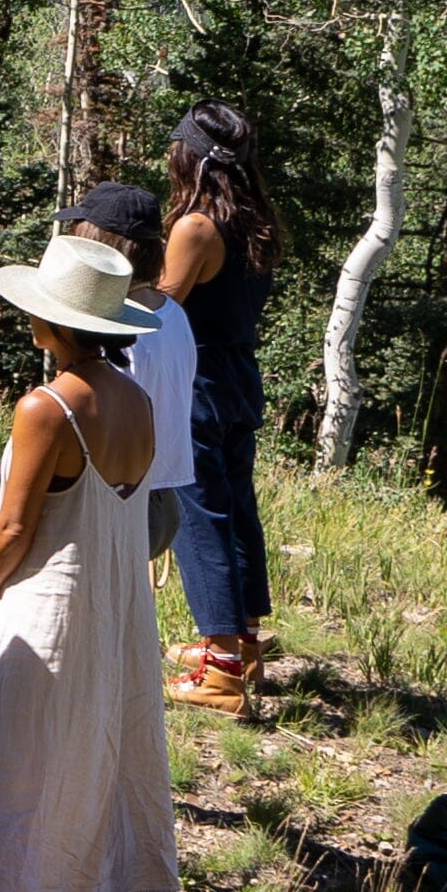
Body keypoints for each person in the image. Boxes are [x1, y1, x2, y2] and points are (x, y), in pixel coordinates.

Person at [0, 233, 175, 892]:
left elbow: (15, 525)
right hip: (117, 610)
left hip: (49, 603)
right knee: (97, 756)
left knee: (6, 764)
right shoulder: (137, 399)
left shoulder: (47, 407)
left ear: (54, 322)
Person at [160, 104, 282, 720]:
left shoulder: (197, 228)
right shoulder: (256, 222)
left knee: (199, 515)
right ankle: (245, 644)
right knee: (236, 510)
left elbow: (161, 306)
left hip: (200, 380)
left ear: (192, 157)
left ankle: (221, 671)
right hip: (240, 375)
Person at [65, 183, 195, 565]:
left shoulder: (123, 331)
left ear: (99, 245)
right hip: (162, 501)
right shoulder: (174, 314)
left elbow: (111, 429)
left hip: (122, 500)